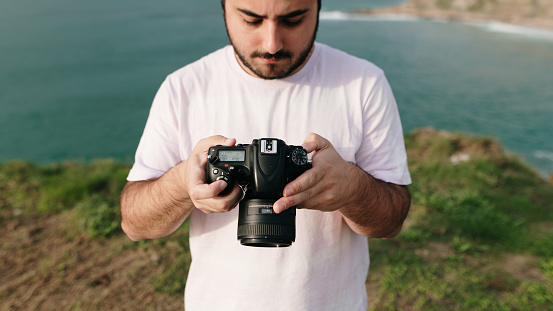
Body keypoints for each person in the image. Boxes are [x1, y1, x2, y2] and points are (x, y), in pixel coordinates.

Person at [120, 0, 411, 310]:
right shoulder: (183, 89)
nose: (272, 44)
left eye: (293, 20)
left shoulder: (364, 83)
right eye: (251, 20)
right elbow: (134, 225)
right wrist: (182, 183)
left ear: (318, 7)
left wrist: (352, 188)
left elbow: (391, 222)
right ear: (224, 9)